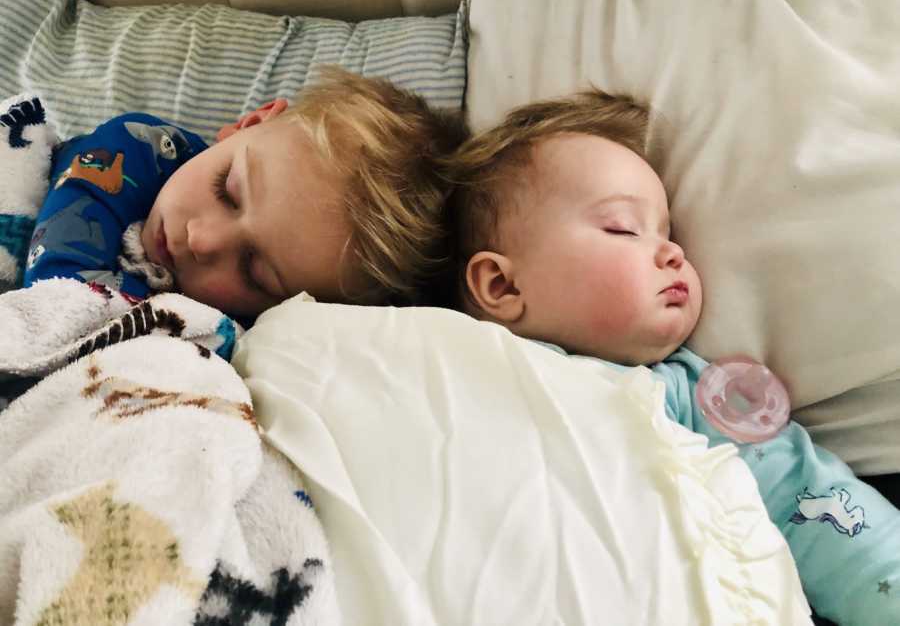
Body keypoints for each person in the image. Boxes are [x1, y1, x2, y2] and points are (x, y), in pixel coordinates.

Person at [441, 90, 900, 626]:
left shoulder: (689, 396)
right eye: (622, 228)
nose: (673, 253)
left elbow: (808, 501)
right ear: (501, 283)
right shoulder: (449, 358)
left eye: (669, 232)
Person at [23, 66, 466, 318]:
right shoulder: (138, 148)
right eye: (227, 191)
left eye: (256, 273)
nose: (202, 240)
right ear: (249, 123)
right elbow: (57, 301)